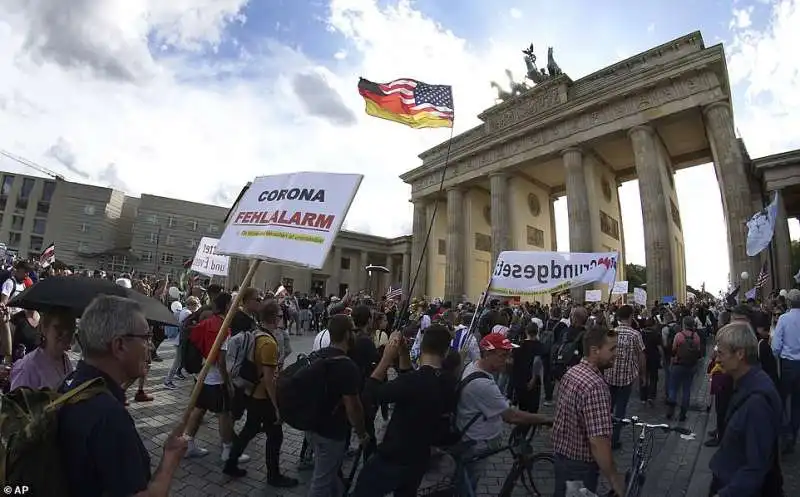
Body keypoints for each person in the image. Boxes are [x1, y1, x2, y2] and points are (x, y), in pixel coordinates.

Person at [57, 295, 187, 496]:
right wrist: (170, 458)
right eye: (146, 337)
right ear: (119, 346)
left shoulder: (70, 384)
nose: (150, 347)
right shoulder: (109, 418)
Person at [352, 325, 456, 497]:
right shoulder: (448, 381)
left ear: (421, 346)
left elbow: (370, 394)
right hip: (420, 457)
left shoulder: (414, 382)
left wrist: (386, 359)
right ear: (445, 352)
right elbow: (411, 383)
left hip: (394, 457)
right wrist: (403, 354)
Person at [455, 333, 552, 493]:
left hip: (472, 439)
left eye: (508, 355)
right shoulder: (483, 384)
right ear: (487, 354)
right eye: (502, 355)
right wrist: (544, 419)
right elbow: (511, 416)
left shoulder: (473, 366)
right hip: (477, 443)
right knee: (467, 488)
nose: (507, 360)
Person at [709, 321, 783, 497]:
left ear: (740, 354)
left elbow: (756, 466)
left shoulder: (757, 402)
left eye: (721, 353)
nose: (717, 359)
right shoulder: (745, 383)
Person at [551, 324, 625, 497]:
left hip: (562, 457)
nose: (616, 354)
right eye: (612, 349)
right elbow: (598, 442)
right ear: (595, 350)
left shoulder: (573, 372)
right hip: (580, 467)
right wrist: (614, 478)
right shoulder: (595, 386)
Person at [306, 314, 368, 497]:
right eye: (353, 331)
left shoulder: (317, 355)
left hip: (311, 426)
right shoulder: (346, 366)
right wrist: (362, 433)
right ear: (348, 334)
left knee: (329, 471)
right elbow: (353, 407)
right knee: (321, 482)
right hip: (331, 432)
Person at [604, 304, 646, 449]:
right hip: (626, 377)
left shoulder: (611, 332)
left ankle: (604, 436)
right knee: (620, 410)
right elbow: (641, 356)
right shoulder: (635, 334)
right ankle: (614, 439)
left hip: (610, 375)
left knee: (608, 408)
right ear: (630, 316)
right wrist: (642, 375)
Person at [10, 309, 75, 390]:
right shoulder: (27, 367)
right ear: (45, 329)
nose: (65, 334)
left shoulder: (66, 361)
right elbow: (17, 401)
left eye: (70, 329)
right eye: (59, 329)